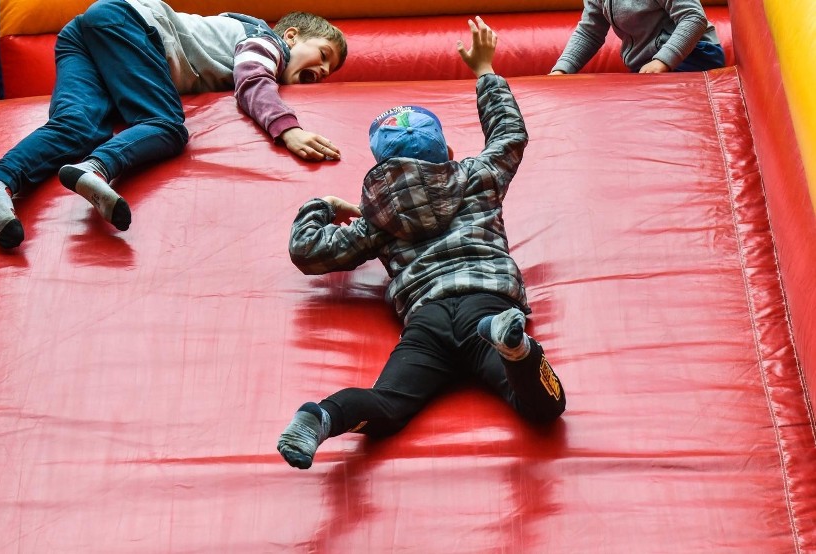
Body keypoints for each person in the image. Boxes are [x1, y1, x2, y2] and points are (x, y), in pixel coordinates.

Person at [277, 16, 566, 470]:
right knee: (543, 405)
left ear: (382, 166)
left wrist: (325, 205)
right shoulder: (476, 176)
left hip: (427, 320)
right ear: (446, 152)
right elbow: (510, 134)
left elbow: (309, 252)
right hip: (484, 303)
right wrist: (484, 70)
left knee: (388, 404)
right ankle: (514, 348)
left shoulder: (376, 219)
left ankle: (322, 415)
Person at [0, 0, 347, 249]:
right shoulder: (265, 42)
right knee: (165, 125)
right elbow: (252, 80)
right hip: (130, 26)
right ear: (291, 36)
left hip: (83, 33)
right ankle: (96, 168)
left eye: (329, 71)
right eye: (324, 55)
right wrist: (288, 129)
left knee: (76, 126)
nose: (324, 69)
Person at [550, 0, 725, 75]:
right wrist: (562, 69)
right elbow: (589, 32)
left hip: (695, 53)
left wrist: (662, 61)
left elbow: (693, 18)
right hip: (647, 66)